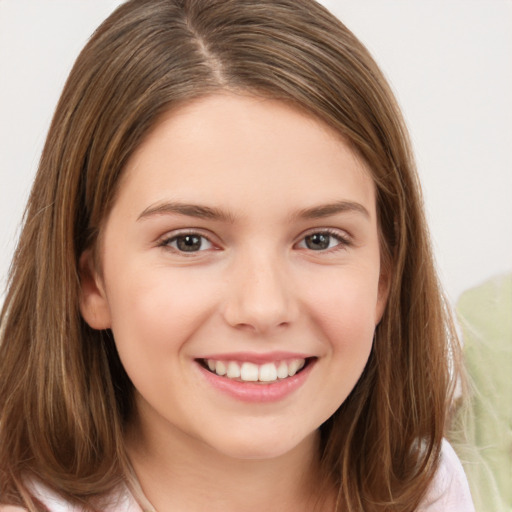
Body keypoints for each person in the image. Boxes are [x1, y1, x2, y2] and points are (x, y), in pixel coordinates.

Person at [0, 0, 474, 510]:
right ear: (92, 281)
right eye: (189, 241)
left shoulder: (428, 484)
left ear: (384, 276)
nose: (263, 308)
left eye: (320, 240)